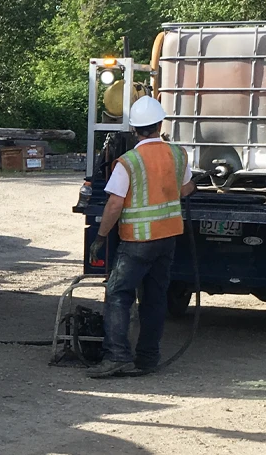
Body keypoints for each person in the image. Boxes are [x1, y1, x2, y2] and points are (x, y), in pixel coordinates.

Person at [86, 96, 195, 378]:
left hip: (137, 241)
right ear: (160, 125)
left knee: (118, 294)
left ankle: (118, 356)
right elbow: (186, 190)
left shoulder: (129, 162)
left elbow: (114, 204)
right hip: (168, 238)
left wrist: (100, 237)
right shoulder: (178, 154)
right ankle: (148, 358)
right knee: (155, 298)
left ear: (134, 129)